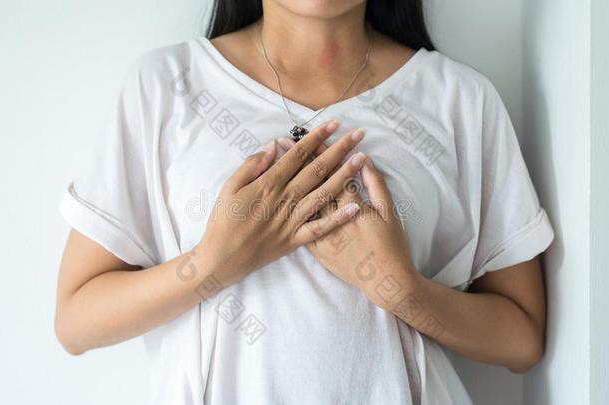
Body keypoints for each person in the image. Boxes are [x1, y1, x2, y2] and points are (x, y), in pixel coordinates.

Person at [55, 1, 555, 404]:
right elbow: (77, 322)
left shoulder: (462, 100)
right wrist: (215, 262)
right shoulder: (166, 85)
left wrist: (401, 289)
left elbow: (521, 338)